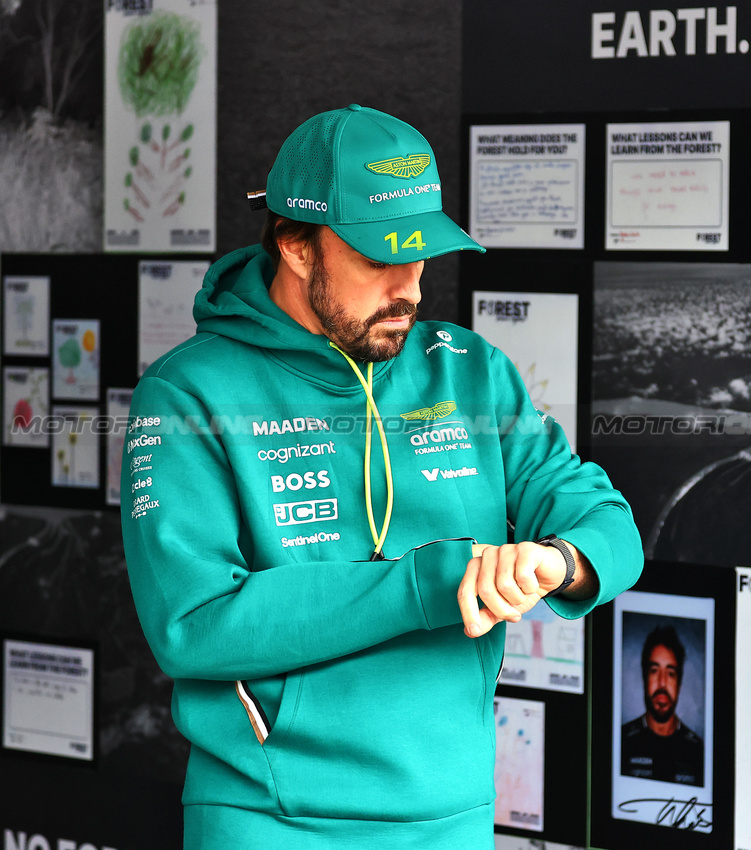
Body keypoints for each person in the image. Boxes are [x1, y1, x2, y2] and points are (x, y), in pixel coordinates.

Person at [119, 104, 643, 849]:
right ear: (296, 245)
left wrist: (557, 560)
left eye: (421, 255)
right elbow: (192, 624)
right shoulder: (186, 394)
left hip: (453, 814)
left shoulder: (470, 372)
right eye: (378, 259)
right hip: (273, 821)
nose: (410, 289)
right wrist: (425, 583)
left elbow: (608, 524)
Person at [620, 624, 704, 785]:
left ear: (679, 683)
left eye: (670, 673)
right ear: (644, 677)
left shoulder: (698, 751)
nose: (662, 683)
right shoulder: (621, 742)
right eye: (654, 671)